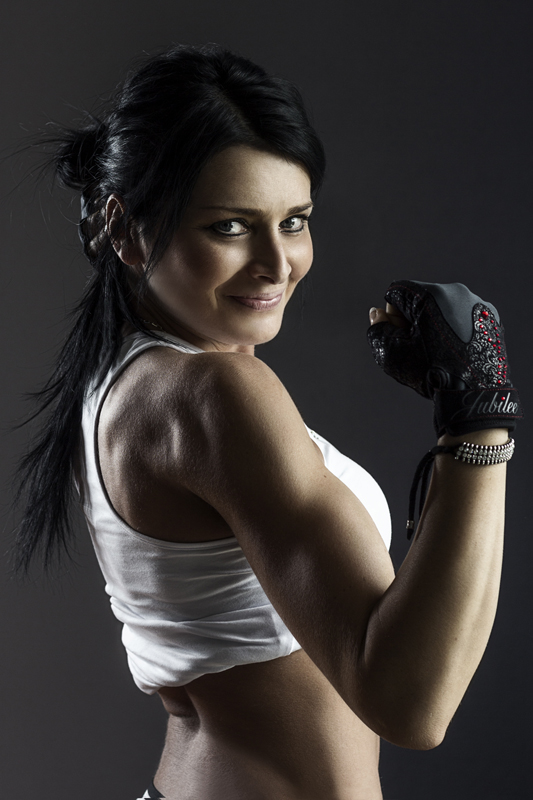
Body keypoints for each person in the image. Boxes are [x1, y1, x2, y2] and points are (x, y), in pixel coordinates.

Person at [12, 44, 522, 800]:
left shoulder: (126, 381)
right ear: (127, 230)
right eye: (229, 227)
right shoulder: (213, 393)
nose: (276, 263)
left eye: (294, 222)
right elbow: (411, 704)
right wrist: (480, 414)